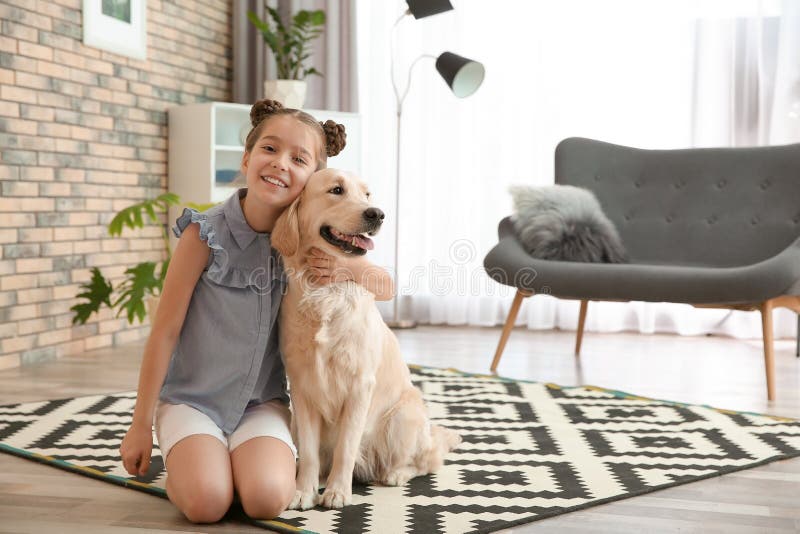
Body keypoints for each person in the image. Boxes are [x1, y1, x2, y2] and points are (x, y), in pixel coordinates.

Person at [119, 99, 395, 523]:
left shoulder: (309, 245)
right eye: (269, 149)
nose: (281, 163)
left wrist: (347, 266)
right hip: (195, 402)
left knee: (266, 501)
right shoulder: (203, 234)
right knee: (207, 503)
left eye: (299, 158)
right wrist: (139, 425)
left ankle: (233, 462)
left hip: (260, 405)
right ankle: (198, 462)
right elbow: (165, 332)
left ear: (310, 181)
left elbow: (385, 286)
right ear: (247, 158)